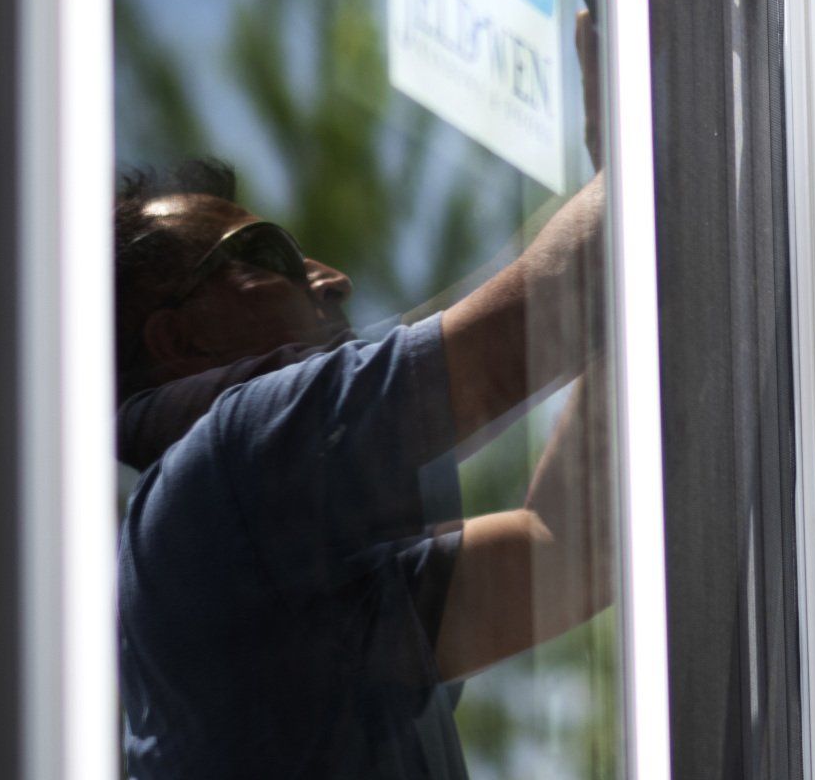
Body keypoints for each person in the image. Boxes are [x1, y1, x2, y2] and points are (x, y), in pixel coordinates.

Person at [116, 38, 612, 778]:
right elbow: (540, 320)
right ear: (181, 335)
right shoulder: (225, 463)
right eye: (268, 255)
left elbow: (569, 552)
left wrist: (625, 206)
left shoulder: (245, 566)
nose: (333, 278)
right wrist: (651, 115)